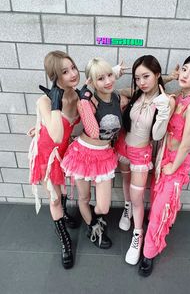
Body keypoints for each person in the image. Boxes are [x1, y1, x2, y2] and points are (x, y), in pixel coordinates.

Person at [138, 52, 190, 277]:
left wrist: (173, 166)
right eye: (185, 69)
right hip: (164, 154)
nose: (186, 74)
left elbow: (187, 141)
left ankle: (149, 253)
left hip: (178, 161)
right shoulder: (178, 96)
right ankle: (154, 230)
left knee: (163, 205)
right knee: (157, 198)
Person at [61, 57, 128, 249]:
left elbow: (146, 90)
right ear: (92, 81)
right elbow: (92, 131)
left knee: (103, 206)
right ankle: (93, 227)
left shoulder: (117, 96)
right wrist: (84, 98)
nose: (107, 81)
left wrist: (168, 80)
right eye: (101, 78)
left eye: (109, 76)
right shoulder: (87, 101)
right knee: (83, 197)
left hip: (104, 154)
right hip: (83, 154)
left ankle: (96, 217)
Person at [114, 55, 175, 265]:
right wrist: (113, 74)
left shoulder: (166, 101)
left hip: (142, 153)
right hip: (124, 145)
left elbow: (158, 135)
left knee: (138, 197)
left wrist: (164, 110)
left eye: (146, 76)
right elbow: (117, 91)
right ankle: (126, 207)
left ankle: (137, 235)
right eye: (138, 77)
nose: (141, 82)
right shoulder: (136, 94)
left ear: (157, 74)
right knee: (124, 180)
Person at [28, 50, 82, 269]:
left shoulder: (77, 96)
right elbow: (57, 135)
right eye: (64, 72)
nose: (72, 74)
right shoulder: (45, 100)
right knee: (55, 198)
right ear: (54, 76)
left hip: (63, 153)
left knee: (64, 192)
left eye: (73, 68)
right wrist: (55, 104)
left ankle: (65, 215)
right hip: (47, 156)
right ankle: (65, 242)